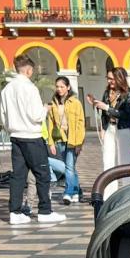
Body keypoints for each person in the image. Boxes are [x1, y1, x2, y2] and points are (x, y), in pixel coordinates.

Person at [1, 55, 65, 226]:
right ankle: (45, 211)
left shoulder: (7, 89)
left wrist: (12, 128)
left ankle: (15, 212)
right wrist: (45, 109)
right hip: (32, 136)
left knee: (18, 175)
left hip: (16, 136)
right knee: (42, 173)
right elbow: (36, 115)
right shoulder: (30, 88)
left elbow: (4, 115)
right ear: (29, 70)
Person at [87, 67, 130, 198]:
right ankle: (109, 194)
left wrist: (107, 108)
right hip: (110, 128)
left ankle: (128, 193)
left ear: (120, 78)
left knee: (126, 162)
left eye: (112, 79)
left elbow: (127, 114)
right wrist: (96, 104)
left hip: (124, 129)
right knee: (107, 161)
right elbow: (104, 113)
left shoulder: (129, 94)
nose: (109, 81)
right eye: (108, 78)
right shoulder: (107, 92)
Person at [46, 76, 86, 205]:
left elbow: (81, 124)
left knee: (69, 167)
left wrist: (79, 143)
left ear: (68, 87)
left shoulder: (75, 103)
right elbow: (50, 124)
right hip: (60, 139)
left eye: (62, 86)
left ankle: (68, 193)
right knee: (70, 167)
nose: (59, 89)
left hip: (73, 140)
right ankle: (77, 191)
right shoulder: (53, 103)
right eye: (57, 87)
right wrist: (51, 142)